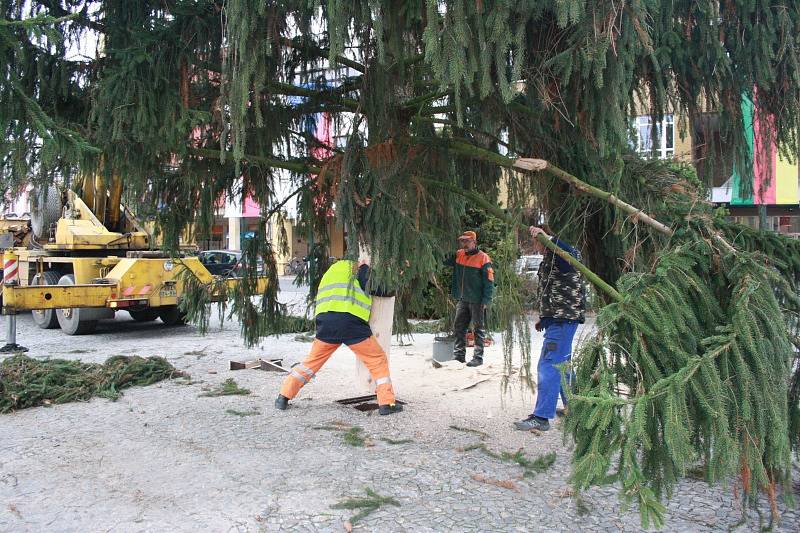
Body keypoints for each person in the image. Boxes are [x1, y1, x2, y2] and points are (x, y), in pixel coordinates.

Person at [274, 258, 403, 415]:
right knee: (377, 359)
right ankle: (386, 404)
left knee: (311, 363)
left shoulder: (331, 271)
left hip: (326, 323)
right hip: (351, 323)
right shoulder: (360, 268)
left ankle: (283, 396)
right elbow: (380, 290)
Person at [514, 226, 586, 432]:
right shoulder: (550, 258)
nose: (535, 245)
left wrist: (549, 238)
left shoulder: (563, 254)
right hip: (557, 319)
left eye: (537, 241)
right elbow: (550, 290)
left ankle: (541, 417)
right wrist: (544, 318)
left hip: (563, 320)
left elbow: (571, 256)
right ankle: (575, 408)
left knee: (548, 365)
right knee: (563, 366)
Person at [444, 230, 495, 367]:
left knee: (478, 328)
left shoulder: (483, 258)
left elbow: (489, 282)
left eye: (467, 241)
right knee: (459, 326)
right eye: (463, 241)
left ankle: (478, 358)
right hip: (462, 298)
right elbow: (444, 260)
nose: (465, 244)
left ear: (474, 242)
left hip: (477, 299)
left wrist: (486, 300)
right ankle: (459, 355)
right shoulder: (459, 255)